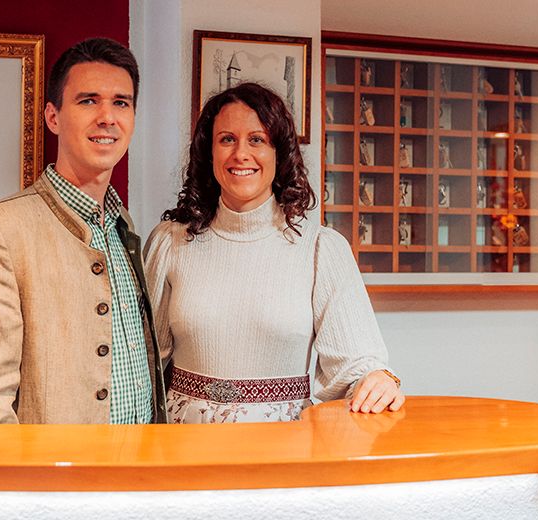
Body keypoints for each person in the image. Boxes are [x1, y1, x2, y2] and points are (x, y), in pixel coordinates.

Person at [144, 82, 404, 424]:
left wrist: (379, 379)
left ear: (278, 153)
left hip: (286, 443)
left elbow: (358, 364)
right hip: (182, 444)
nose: (241, 154)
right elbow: (142, 360)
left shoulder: (321, 249)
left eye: (257, 140)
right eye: (227, 139)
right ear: (209, 154)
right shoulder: (170, 243)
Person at [0, 38, 167, 425]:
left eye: (121, 102)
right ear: (53, 117)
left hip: (141, 475)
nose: (107, 117)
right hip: (57, 480)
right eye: (88, 101)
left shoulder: (124, 225)